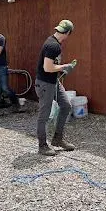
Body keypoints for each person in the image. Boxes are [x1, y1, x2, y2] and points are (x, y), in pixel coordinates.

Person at [35, 19, 77, 156]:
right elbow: (47, 68)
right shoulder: (53, 46)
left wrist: (61, 69)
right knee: (44, 116)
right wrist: (64, 66)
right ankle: (42, 146)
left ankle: (58, 139)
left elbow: (52, 66)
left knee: (66, 105)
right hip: (45, 84)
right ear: (68, 32)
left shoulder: (54, 42)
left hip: (53, 82)